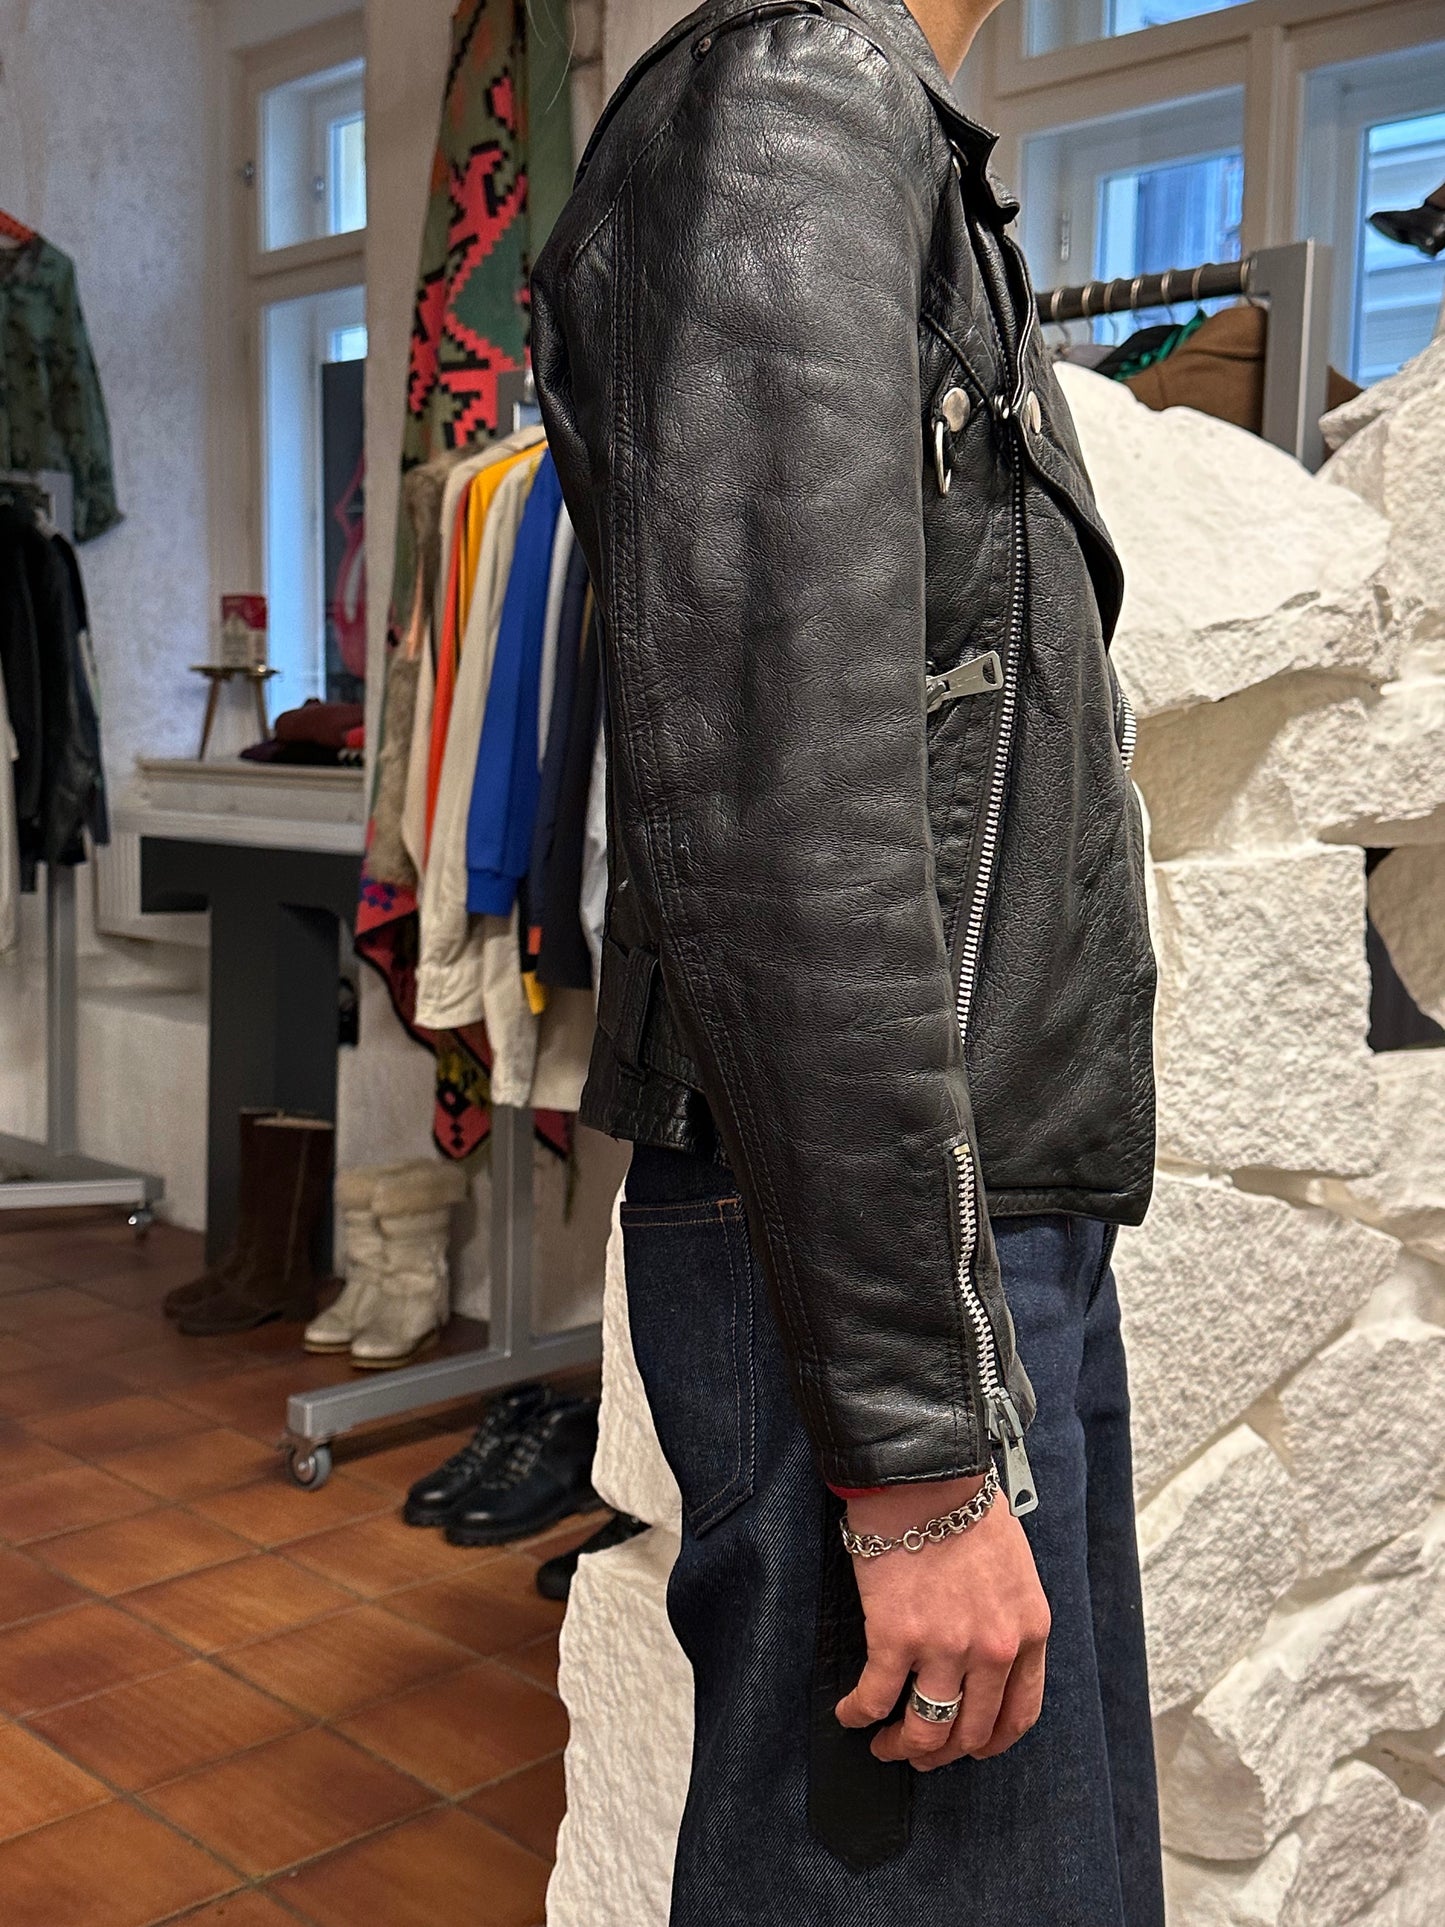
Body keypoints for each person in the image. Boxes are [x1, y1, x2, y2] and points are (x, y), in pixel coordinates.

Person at [533, 0, 1162, 1919]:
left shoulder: (875, 136)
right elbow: (779, 803)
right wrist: (915, 1452)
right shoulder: (791, 102)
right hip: (883, 1262)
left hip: (954, 1235)